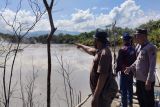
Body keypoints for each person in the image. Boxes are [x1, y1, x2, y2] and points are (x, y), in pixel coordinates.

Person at [75, 29, 118, 107]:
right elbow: (89, 49)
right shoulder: (100, 51)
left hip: (103, 93)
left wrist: (95, 97)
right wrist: (81, 45)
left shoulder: (104, 54)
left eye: (94, 39)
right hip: (101, 92)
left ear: (97, 40)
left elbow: (103, 76)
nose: (93, 40)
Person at [124, 29, 157, 107]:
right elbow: (137, 61)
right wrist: (130, 68)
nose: (135, 37)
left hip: (146, 80)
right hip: (139, 79)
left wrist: (148, 80)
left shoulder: (151, 47)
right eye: (135, 36)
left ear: (144, 36)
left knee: (148, 102)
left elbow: (152, 65)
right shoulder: (138, 46)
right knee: (141, 100)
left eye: (137, 35)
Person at [116, 33, 136, 107]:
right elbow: (135, 61)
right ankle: (130, 103)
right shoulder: (133, 49)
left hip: (124, 73)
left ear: (124, 40)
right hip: (130, 72)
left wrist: (116, 71)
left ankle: (124, 105)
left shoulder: (122, 49)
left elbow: (119, 62)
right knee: (130, 88)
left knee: (123, 90)